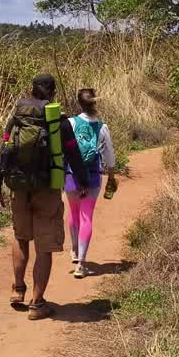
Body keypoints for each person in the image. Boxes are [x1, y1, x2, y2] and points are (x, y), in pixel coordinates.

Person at [0, 73, 91, 321]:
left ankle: (17, 289)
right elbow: (73, 154)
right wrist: (83, 182)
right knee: (44, 248)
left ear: (31, 90)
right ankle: (37, 304)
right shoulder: (60, 122)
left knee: (21, 237)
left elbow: (3, 152)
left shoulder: (16, 118)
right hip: (47, 190)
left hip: (19, 187)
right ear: (53, 93)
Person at [65, 88, 116, 278]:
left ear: (78, 103)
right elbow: (109, 155)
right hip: (92, 176)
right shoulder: (102, 127)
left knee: (73, 212)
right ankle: (81, 264)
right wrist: (111, 174)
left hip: (71, 175)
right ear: (94, 104)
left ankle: (74, 250)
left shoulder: (70, 122)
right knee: (87, 216)